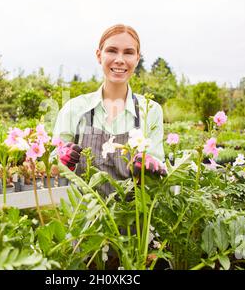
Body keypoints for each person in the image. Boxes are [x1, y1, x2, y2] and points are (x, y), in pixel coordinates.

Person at [53, 24, 166, 195]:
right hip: (85, 216)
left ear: (137, 58)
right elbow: (52, 169)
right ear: (99, 55)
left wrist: (151, 167)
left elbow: (158, 168)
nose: (120, 59)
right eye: (112, 50)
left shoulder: (151, 110)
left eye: (128, 52)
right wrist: (60, 160)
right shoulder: (74, 109)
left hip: (134, 217)